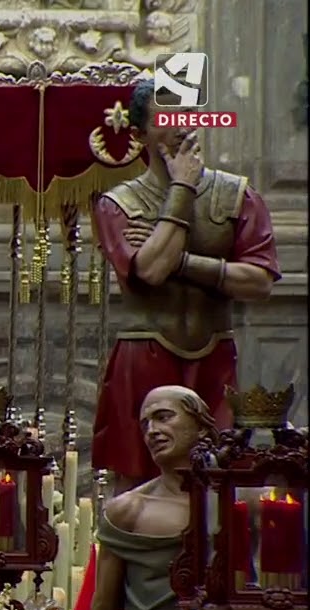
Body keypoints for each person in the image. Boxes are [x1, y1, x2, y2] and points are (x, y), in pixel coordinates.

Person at [91, 79, 281, 494]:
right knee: (138, 480)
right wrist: (181, 188)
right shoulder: (116, 203)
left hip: (213, 354)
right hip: (144, 357)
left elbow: (260, 281)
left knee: (216, 476)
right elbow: (150, 271)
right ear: (139, 134)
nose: (181, 126)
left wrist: (183, 262)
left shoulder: (237, 195)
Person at [89, 385, 245, 610]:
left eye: (164, 417)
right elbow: (104, 609)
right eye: (145, 424)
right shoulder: (128, 510)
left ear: (200, 427)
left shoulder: (236, 500)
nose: (152, 430)